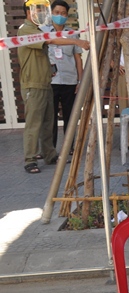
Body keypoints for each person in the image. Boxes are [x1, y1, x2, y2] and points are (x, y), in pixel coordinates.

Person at [18, 0, 88, 174]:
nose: (42, 13)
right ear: (29, 12)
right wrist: (77, 42)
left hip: (46, 82)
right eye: (38, 10)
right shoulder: (26, 30)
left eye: (43, 10)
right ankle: (30, 159)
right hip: (33, 84)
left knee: (49, 122)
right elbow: (49, 41)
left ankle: (50, 155)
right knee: (34, 124)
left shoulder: (37, 29)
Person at [48, 0, 83, 152]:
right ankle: (50, 149)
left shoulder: (73, 34)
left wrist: (80, 80)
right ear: (51, 13)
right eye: (57, 13)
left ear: (67, 15)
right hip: (51, 81)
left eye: (63, 13)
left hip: (70, 80)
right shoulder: (43, 32)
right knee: (51, 118)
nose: (60, 16)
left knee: (70, 117)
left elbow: (78, 59)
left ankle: (70, 146)